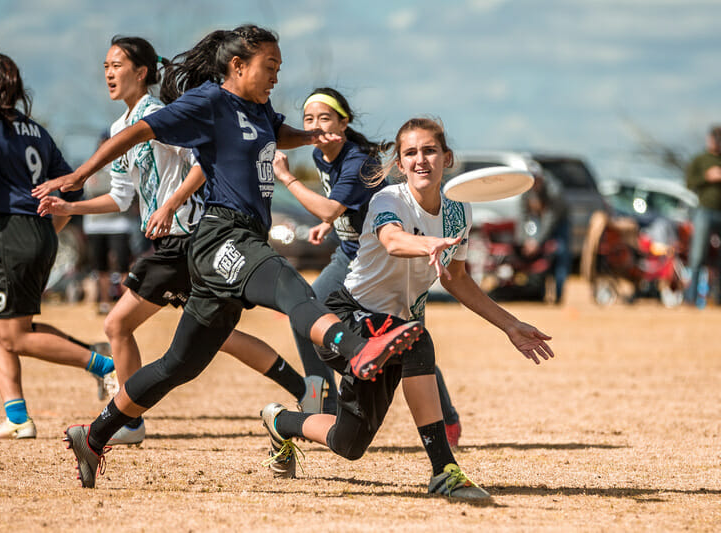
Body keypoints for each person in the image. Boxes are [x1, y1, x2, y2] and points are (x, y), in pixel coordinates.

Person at [34, 25, 423, 488]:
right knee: (287, 284)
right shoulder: (210, 103)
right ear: (238, 66)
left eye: (279, 67)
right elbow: (139, 131)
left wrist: (311, 137)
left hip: (242, 237)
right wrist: (79, 174)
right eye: (270, 67)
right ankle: (357, 351)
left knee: (180, 364)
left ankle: (93, 435)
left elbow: (276, 132)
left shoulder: (258, 107)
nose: (277, 75)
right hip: (222, 237)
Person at [39, 36, 325, 446]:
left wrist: (171, 204)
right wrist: (71, 208)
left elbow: (205, 163)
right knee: (211, 339)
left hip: (192, 238)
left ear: (142, 72)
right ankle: (305, 390)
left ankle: (127, 421)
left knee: (119, 324)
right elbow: (121, 198)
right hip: (175, 241)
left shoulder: (160, 115)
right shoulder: (120, 129)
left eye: (117, 64)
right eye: (105, 65)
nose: (108, 72)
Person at [259, 117, 554, 500]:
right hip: (346, 321)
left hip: (391, 331)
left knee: (349, 443)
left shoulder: (457, 213)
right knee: (418, 341)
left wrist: (510, 325)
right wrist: (427, 244)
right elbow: (393, 239)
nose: (421, 160)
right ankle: (443, 471)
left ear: (447, 158)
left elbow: (457, 279)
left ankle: (280, 421)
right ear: (399, 164)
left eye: (430, 150)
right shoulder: (388, 199)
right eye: (410, 153)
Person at [272, 87, 463, 446]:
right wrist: (328, 223)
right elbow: (341, 206)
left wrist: (287, 178)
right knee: (307, 314)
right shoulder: (320, 155)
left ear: (343, 122)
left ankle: (446, 418)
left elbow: (331, 206)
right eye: (309, 119)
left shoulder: (357, 159)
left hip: (375, 256)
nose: (316, 126)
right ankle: (322, 401)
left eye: (325, 118)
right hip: (349, 251)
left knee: (406, 340)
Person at [0, 51, 118, 439]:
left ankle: (104, 366)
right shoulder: (37, 131)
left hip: (14, 234)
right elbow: (69, 182)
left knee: (14, 335)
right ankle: (17, 417)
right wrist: (49, 227)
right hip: (39, 232)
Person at [81, 130, 135, 315]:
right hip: (95, 226)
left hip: (119, 225)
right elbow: (89, 188)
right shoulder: (91, 166)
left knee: (122, 266)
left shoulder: (123, 165)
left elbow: (123, 192)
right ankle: (105, 302)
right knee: (100, 267)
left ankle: (125, 305)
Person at [518, 162, 570, 303]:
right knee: (540, 258)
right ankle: (539, 294)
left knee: (560, 254)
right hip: (539, 222)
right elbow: (523, 216)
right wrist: (525, 240)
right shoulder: (525, 190)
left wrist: (537, 241)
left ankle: (558, 296)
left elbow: (550, 219)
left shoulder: (554, 191)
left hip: (559, 224)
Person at [685, 125, 721, 306]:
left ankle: (718, 298)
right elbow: (689, 182)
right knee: (697, 255)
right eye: (714, 138)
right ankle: (691, 297)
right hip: (704, 211)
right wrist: (707, 177)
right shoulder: (701, 160)